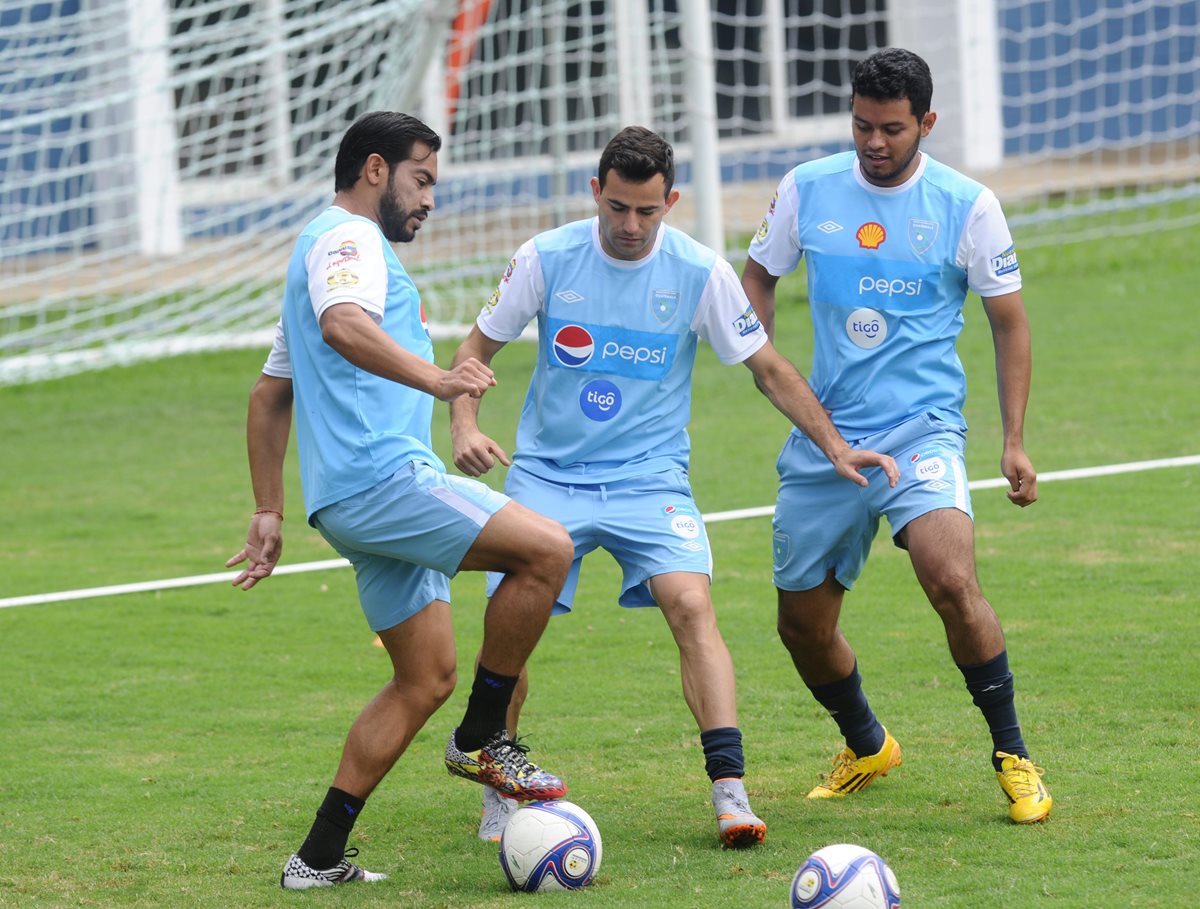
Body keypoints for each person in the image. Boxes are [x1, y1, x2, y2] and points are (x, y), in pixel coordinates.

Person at [450, 126, 898, 848]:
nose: (630, 226)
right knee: (512, 617)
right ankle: (501, 784)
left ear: (672, 203)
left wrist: (836, 445)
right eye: (618, 208)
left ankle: (730, 790)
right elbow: (474, 351)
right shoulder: (546, 257)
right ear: (596, 193)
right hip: (548, 474)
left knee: (692, 604)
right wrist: (463, 423)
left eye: (647, 212)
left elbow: (771, 369)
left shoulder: (699, 272)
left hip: (649, 479)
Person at [225, 110, 576, 890]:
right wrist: (441, 380)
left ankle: (316, 858)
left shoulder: (317, 251)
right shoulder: (348, 243)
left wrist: (269, 509)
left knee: (423, 677)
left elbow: (267, 395)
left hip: (346, 501)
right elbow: (347, 327)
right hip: (382, 480)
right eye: (423, 180)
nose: (429, 200)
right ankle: (486, 736)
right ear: (376, 170)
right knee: (548, 549)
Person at [740, 47, 1052, 824]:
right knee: (802, 627)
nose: (872, 142)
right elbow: (757, 278)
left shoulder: (967, 205)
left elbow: (1008, 324)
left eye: (890, 129)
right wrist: (765, 357)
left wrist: (1014, 440)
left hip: (923, 431)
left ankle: (1013, 754)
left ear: (926, 123)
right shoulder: (807, 189)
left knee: (952, 578)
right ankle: (868, 741)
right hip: (827, 436)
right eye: (861, 125)